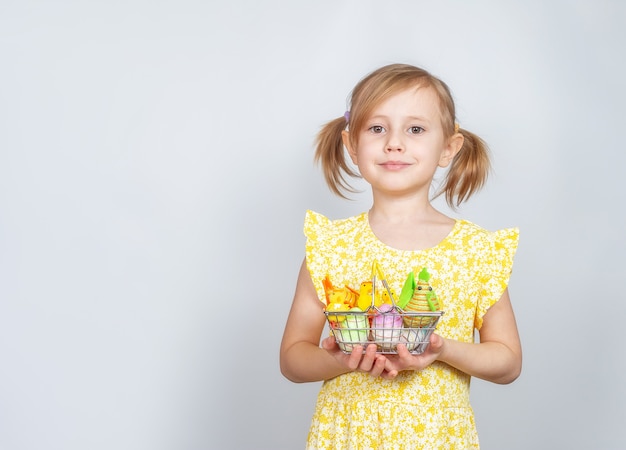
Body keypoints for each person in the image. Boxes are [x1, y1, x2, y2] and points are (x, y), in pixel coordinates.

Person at [279, 63, 522, 449]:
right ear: (352, 145)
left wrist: (443, 349)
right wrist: (340, 360)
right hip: (348, 437)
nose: (395, 142)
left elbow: (508, 361)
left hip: (437, 439)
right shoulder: (331, 246)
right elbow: (293, 359)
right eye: (377, 128)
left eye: (415, 129)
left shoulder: (475, 251)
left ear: (448, 148)